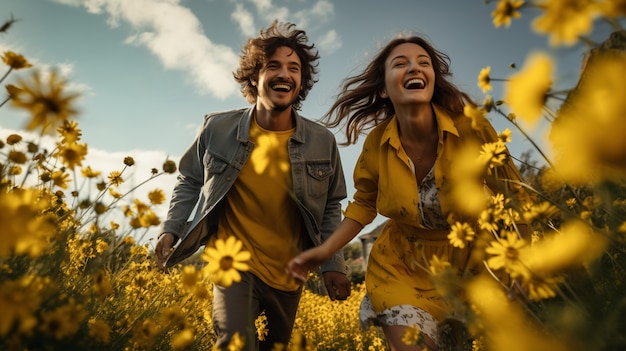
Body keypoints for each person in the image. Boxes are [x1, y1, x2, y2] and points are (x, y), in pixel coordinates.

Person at [287, 35, 530, 351]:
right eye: (400, 63)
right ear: (384, 90)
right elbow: (363, 204)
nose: (414, 67)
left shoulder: (473, 128)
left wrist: (521, 264)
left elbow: (515, 197)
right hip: (403, 266)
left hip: (475, 262)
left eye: (423, 63)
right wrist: (324, 251)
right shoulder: (376, 144)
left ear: (432, 80)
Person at [155, 21, 351, 350]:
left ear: (301, 81)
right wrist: (171, 228)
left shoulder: (322, 142)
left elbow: (331, 207)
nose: (284, 74)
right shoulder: (217, 128)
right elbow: (190, 179)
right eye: (273, 66)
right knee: (234, 342)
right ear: (254, 76)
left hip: (289, 274)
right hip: (232, 264)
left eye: (294, 68)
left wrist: (334, 265)